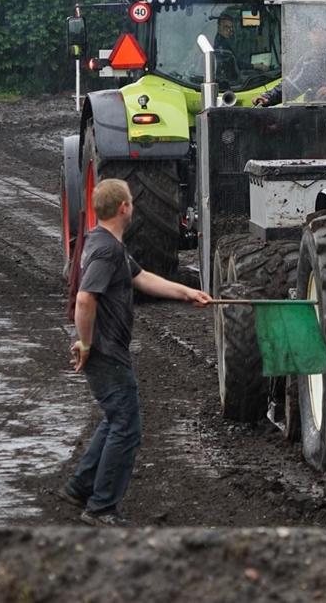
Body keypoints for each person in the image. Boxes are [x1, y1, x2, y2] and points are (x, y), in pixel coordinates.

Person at [58, 179, 211, 526]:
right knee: (127, 428)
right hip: (107, 352)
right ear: (124, 208)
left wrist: (188, 293)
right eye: (132, 201)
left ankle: (81, 486)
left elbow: (142, 279)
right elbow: (85, 298)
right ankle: (101, 507)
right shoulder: (106, 249)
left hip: (107, 349)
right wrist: (84, 343)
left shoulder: (108, 243)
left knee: (117, 419)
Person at [214, 14, 268, 82]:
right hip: (227, 81)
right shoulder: (220, 44)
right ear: (219, 27)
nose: (229, 30)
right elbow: (235, 64)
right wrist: (256, 66)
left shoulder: (224, 40)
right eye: (226, 27)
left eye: (231, 28)